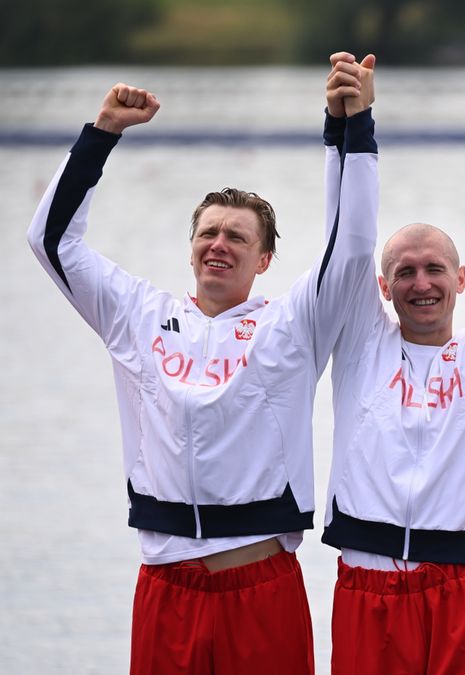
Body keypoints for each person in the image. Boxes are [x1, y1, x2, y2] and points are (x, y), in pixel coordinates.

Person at [26, 66, 378, 673]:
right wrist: (102, 131)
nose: (220, 243)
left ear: (264, 259)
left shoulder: (292, 325)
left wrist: (347, 127)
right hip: (168, 587)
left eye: (238, 237)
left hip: (260, 586)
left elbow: (349, 246)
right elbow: (51, 240)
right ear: (191, 247)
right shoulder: (137, 315)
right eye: (209, 232)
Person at [317, 56, 465, 675]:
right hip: (367, 590)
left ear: (461, 278)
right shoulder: (360, 347)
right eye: (405, 271)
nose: (421, 283)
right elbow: (344, 239)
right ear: (382, 285)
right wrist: (349, 125)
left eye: (434, 270)